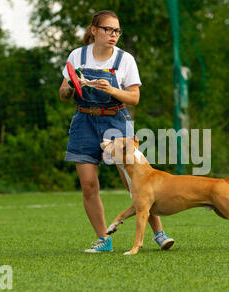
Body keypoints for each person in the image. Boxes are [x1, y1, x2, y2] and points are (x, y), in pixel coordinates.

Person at [59, 10, 174, 253]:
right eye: (108, 29)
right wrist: (71, 86)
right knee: (89, 185)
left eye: (117, 31)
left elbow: (134, 98)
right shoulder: (76, 56)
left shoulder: (125, 60)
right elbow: (63, 93)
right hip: (84, 121)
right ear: (94, 30)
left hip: (116, 121)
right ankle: (104, 240)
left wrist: (111, 91)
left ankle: (159, 234)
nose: (113, 35)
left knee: (136, 183)